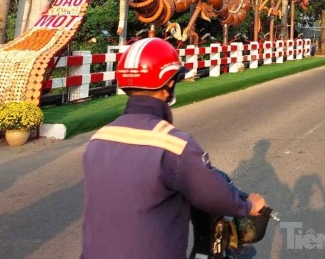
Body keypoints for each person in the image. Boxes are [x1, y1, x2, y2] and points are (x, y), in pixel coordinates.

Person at [81, 38, 266, 259]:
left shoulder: (99, 139)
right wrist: (247, 205)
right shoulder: (174, 145)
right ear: (168, 83)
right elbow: (213, 195)